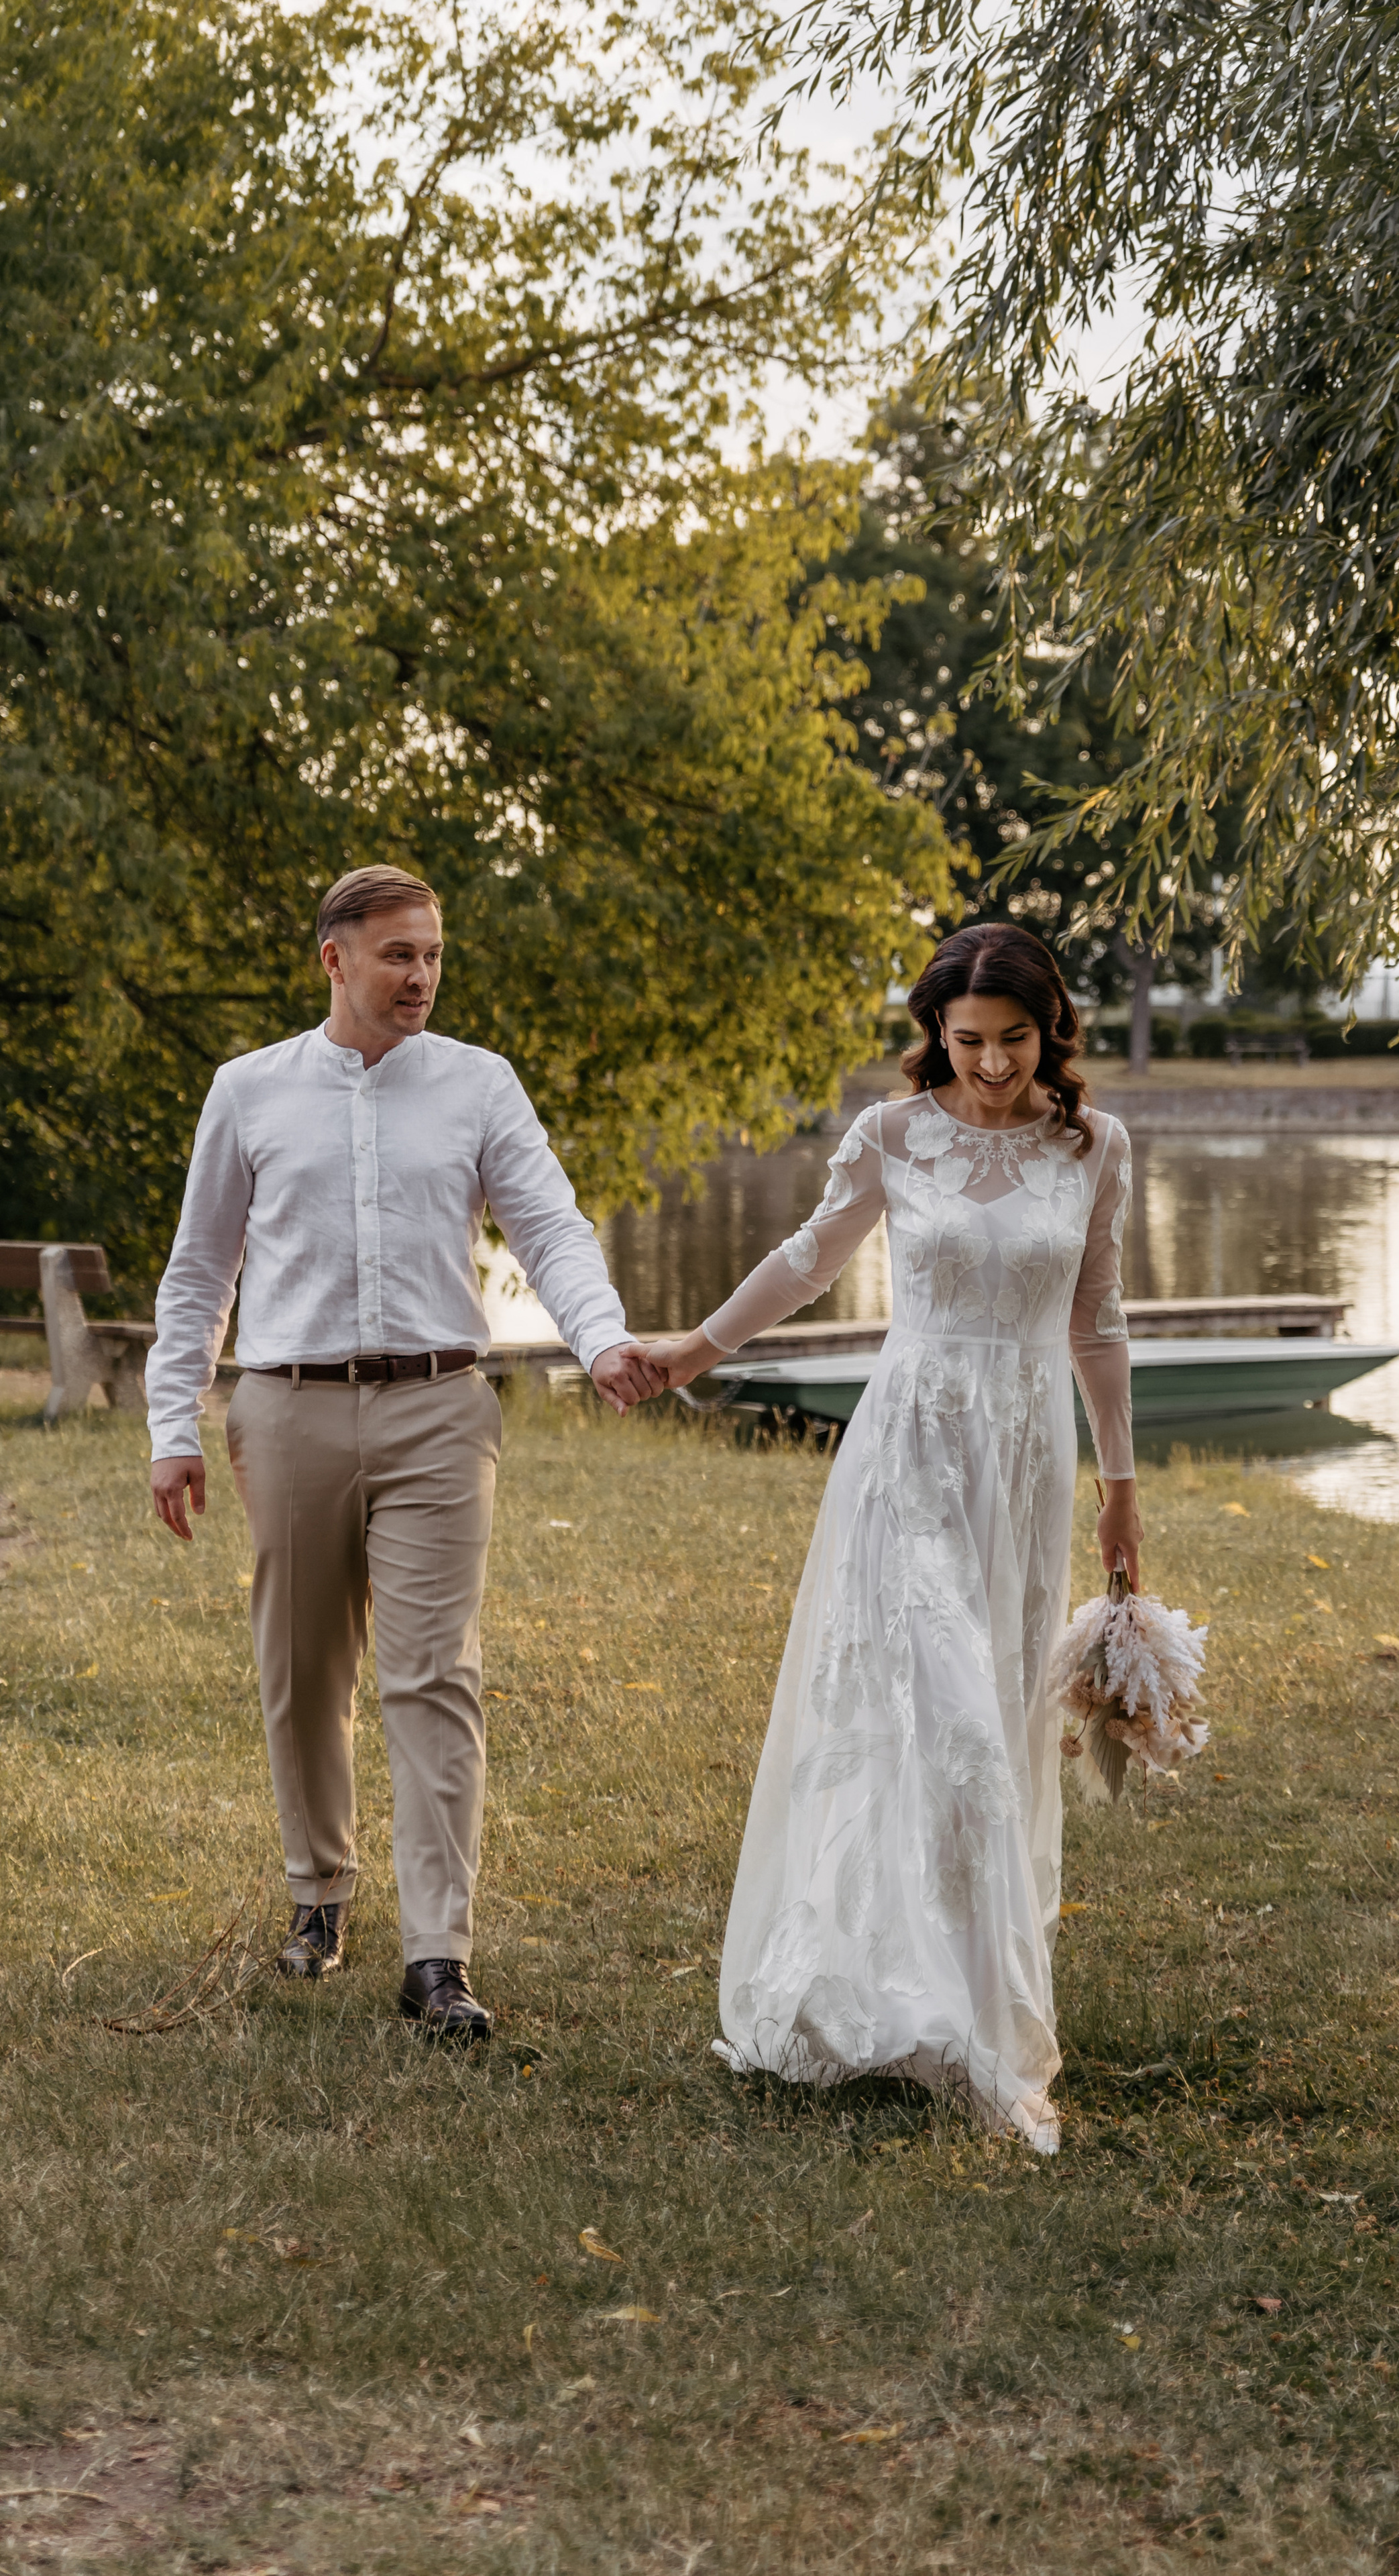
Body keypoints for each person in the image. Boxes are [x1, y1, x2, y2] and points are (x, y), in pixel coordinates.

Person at [647, 924, 1141, 2151]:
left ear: (1052, 1031)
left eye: (1014, 1041)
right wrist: (696, 1349)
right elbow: (809, 1258)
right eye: (966, 1041)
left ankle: (956, 1998)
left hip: (1023, 1464)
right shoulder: (892, 1136)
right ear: (937, 1034)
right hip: (909, 1450)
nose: (989, 1065)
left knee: (997, 1719)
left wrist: (1122, 1484)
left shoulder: (1094, 1148)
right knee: (930, 1714)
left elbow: (1099, 1321)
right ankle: (932, 2018)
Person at [146, 865, 662, 2037]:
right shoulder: (249, 1091)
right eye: (398, 955)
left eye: (431, 954)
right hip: (286, 1408)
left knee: (437, 1676)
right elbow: (198, 1271)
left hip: (440, 1410)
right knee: (303, 1670)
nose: (421, 975)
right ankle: (318, 1898)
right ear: (336, 959)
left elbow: (550, 1226)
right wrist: (173, 1425)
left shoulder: (480, 1086)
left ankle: (438, 1960)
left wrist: (602, 1340)